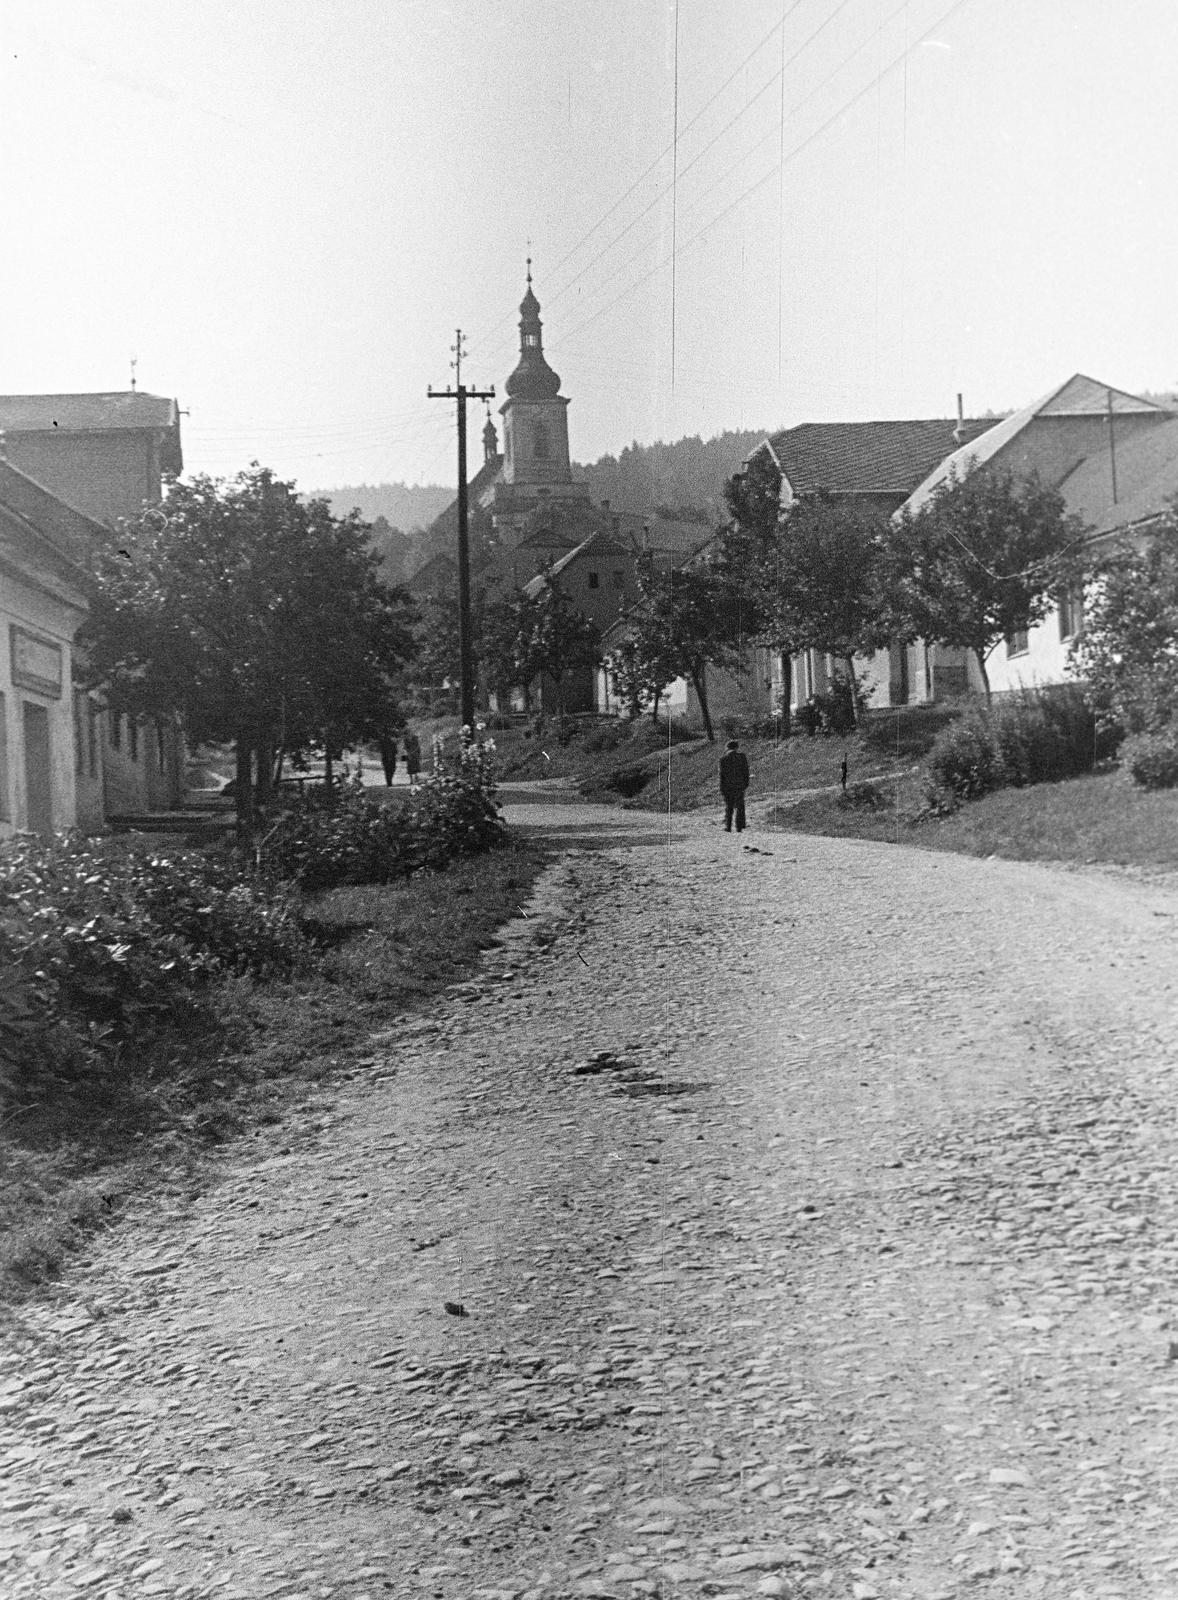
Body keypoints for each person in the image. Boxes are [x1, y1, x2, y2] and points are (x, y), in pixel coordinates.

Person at [719, 737, 751, 833]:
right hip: (739, 785)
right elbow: (746, 771)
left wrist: (722, 787)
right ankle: (739, 827)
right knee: (740, 806)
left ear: (727, 748)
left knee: (729, 806)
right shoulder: (742, 757)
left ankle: (728, 826)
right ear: (737, 747)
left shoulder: (723, 759)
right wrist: (746, 783)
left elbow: (722, 775)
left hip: (728, 786)